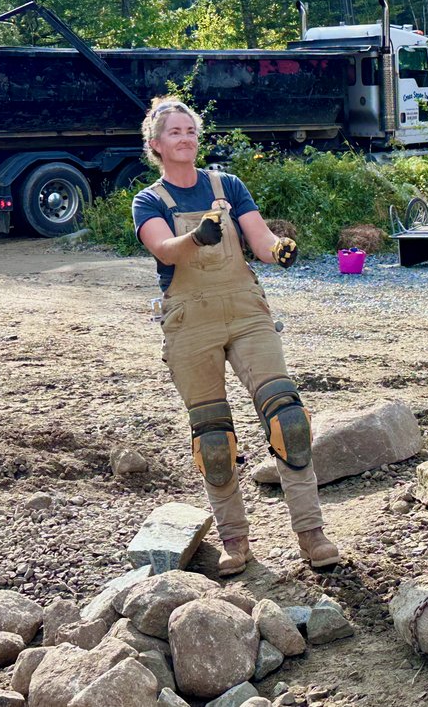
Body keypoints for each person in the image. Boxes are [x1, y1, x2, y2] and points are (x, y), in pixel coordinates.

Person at [131, 96, 339, 576]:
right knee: (214, 440)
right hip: (189, 320)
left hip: (246, 310)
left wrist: (278, 250)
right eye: (175, 132)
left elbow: (260, 240)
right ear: (156, 145)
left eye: (190, 130)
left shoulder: (227, 185)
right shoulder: (149, 200)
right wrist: (196, 238)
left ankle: (312, 533)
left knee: (288, 419)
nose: (186, 138)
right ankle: (235, 542)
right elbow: (164, 250)